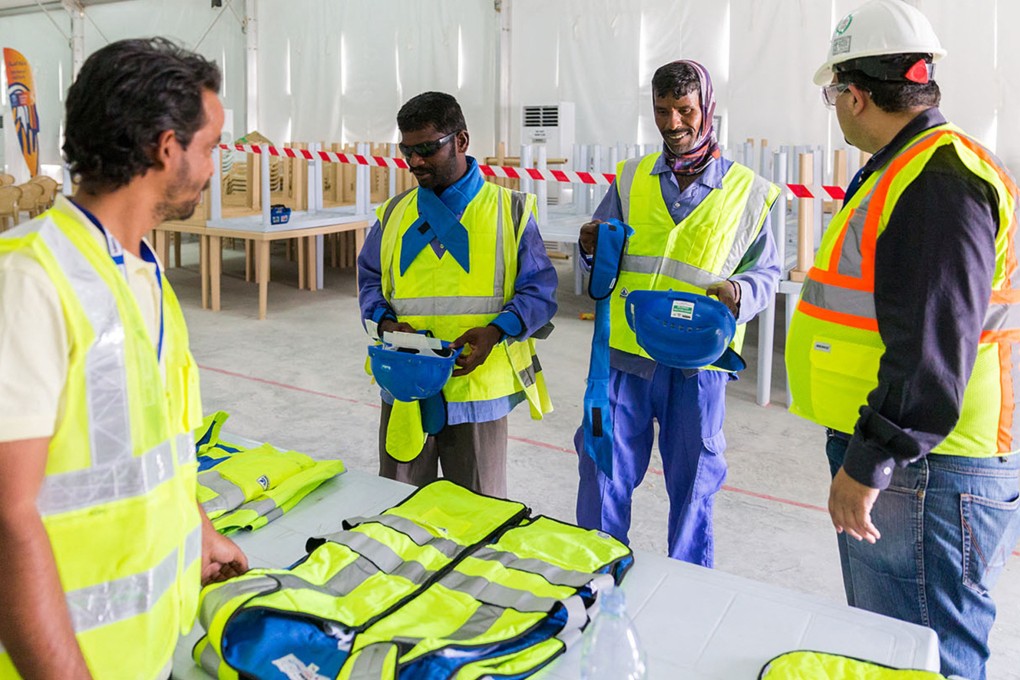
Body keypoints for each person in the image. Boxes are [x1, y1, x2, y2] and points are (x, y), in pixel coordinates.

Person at [785, 1, 1020, 677]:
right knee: (901, 647)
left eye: (834, 94)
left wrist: (870, 462)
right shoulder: (913, 166)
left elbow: (931, 351)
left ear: (855, 95)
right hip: (923, 461)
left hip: (927, 467)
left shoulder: (937, 182)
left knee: (921, 653)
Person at [0, 38, 248, 678]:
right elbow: (7, 515)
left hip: (142, 651)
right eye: (210, 146)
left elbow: (149, 449)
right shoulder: (30, 280)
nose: (214, 166)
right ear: (167, 149)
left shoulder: (143, 273)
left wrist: (195, 529)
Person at [574, 60, 781, 566]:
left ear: (707, 109)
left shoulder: (748, 192)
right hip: (626, 356)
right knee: (602, 470)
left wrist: (739, 291)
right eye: (662, 110)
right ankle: (597, 577)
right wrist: (589, 247)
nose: (673, 123)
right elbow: (601, 256)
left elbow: (767, 273)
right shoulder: (631, 179)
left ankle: (690, 586)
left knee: (694, 485)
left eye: (684, 110)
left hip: (698, 365)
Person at [357, 91, 557, 497]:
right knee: (397, 506)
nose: (415, 162)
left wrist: (497, 331)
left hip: (477, 390)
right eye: (407, 151)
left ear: (461, 141)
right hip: (406, 383)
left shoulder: (510, 211)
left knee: (479, 513)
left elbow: (539, 291)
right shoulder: (393, 214)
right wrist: (385, 323)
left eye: (427, 149)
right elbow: (369, 281)